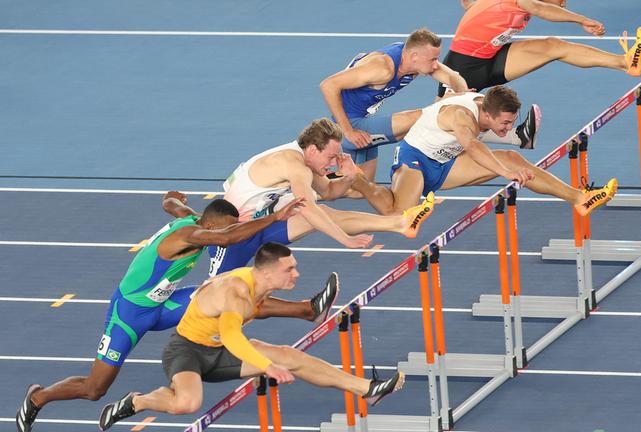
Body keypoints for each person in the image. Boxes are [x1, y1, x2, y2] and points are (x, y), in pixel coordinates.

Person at [14, 194, 338, 432]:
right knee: (95, 389)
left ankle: (307, 310)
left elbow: (172, 204)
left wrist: (172, 198)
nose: (221, 242)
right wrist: (275, 217)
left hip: (166, 304)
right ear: (209, 226)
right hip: (130, 314)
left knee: (231, 296)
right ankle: (38, 397)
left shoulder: (194, 220)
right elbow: (226, 237)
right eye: (220, 232)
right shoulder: (187, 235)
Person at [98, 243, 405, 430]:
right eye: (290, 269)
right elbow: (232, 335)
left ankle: (367, 389)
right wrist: (267, 367)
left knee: (290, 356)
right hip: (187, 351)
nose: (296, 274)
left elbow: (248, 320)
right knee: (187, 404)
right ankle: (137, 401)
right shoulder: (236, 292)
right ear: (268, 272)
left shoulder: (258, 285)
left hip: (219, 350)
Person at [208, 117, 434, 276]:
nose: (334, 163)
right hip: (231, 237)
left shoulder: (306, 161)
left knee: (319, 211)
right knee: (215, 297)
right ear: (313, 150)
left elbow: (328, 192)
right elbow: (309, 208)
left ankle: (400, 223)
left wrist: (348, 178)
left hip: (259, 226)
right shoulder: (294, 165)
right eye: (331, 156)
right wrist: (346, 240)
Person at [351, 85, 618, 217]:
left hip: (446, 163)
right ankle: (358, 180)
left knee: (512, 158)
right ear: (487, 115)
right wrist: (504, 173)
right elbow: (473, 146)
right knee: (397, 216)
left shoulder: (486, 103)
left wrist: (507, 167)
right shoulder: (462, 117)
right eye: (505, 123)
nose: (509, 129)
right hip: (414, 159)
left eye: (512, 122)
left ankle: (580, 199)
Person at [320, 27, 539, 181]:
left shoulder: (412, 61)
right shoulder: (382, 68)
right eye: (432, 60)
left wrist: (460, 95)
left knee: (359, 188)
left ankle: (320, 181)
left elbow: (453, 77)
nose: (435, 65)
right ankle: (515, 137)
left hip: (365, 122)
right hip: (349, 127)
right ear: (414, 56)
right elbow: (328, 85)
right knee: (425, 117)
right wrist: (348, 131)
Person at [437, 0, 641, 99]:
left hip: (491, 59)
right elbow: (540, 8)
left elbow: (470, 5)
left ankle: (626, 63)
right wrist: (582, 20)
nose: (564, 3)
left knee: (553, 46)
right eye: (561, 0)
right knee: (441, 132)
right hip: (461, 70)